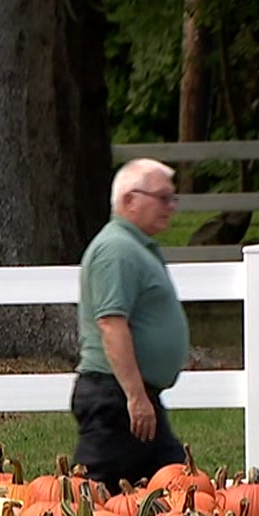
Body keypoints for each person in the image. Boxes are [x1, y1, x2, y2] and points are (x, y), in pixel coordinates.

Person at [72, 158, 190, 496]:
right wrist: (136, 397)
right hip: (117, 398)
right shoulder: (116, 251)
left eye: (172, 198)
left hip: (132, 396)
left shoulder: (133, 247)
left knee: (174, 488)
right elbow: (111, 324)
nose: (171, 206)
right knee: (97, 497)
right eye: (163, 198)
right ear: (130, 199)